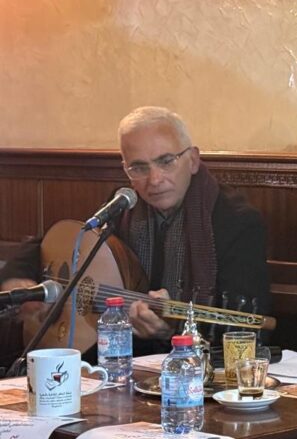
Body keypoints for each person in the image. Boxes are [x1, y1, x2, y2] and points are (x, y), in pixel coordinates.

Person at [0, 106, 271, 354]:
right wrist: (17, 279)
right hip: (122, 356)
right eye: (139, 167)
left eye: (166, 161)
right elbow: (66, 242)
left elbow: (242, 328)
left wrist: (172, 331)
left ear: (193, 160)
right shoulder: (124, 206)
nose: (155, 179)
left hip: (190, 367)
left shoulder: (235, 222)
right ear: (126, 170)